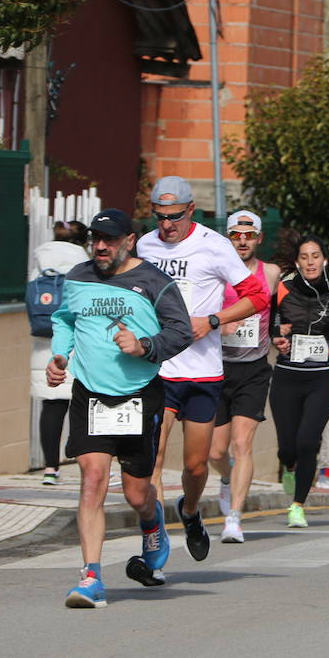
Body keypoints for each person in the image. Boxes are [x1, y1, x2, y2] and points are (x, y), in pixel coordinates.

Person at [48, 209, 193, 607]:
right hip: (90, 394)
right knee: (93, 477)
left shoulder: (154, 282)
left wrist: (144, 347)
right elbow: (63, 319)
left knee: (135, 494)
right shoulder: (78, 276)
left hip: (139, 395)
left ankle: (153, 525)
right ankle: (91, 577)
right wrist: (60, 356)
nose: (99, 246)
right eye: (95, 238)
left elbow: (180, 332)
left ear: (129, 241)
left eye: (109, 239)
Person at [137, 177, 268, 565]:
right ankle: (155, 547)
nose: (166, 225)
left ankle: (191, 511)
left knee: (197, 465)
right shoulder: (144, 246)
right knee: (153, 462)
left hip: (202, 372)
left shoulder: (215, 247)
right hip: (157, 370)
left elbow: (258, 297)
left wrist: (211, 321)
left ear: (191, 210)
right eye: (159, 217)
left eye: (174, 216)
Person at [269, 235, 329, 527]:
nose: (310, 262)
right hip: (286, 377)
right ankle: (290, 464)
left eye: (315, 256)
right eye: (304, 257)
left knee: (308, 441)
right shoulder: (281, 292)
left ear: (324, 261)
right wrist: (277, 337)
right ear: (297, 262)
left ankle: (298, 505)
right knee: (287, 448)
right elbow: (269, 326)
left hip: (321, 379)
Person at [208, 210, 281, 543]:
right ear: (228, 237)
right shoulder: (217, 274)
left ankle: (234, 517)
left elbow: (282, 310)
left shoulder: (272, 273)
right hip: (217, 365)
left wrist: (283, 332)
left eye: (248, 235)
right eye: (236, 235)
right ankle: (226, 479)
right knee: (215, 453)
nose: (242, 241)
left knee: (242, 444)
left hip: (253, 367)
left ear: (259, 239)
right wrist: (221, 323)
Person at [31, 220, 89, 486]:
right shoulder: (84, 265)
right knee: (86, 404)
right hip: (79, 343)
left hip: (45, 342)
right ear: (83, 241)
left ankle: (50, 468)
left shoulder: (39, 262)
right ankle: (89, 462)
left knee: (52, 405)